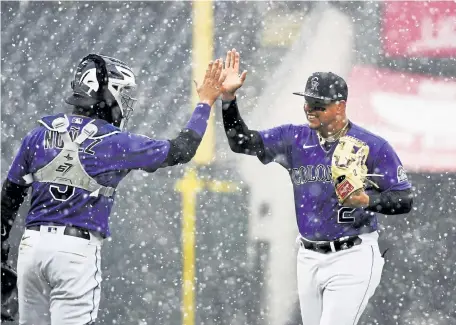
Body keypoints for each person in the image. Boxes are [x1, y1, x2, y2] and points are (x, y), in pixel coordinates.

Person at [0, 54, 226, 324]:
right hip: (75, 249)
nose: (126, 102)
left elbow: (9, 199)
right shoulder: (113, 141)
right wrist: (205, 103)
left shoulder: (37, 135)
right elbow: (181, 150)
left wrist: (2, 249)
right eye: (123, 93)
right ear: (105, 92)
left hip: (31, 248)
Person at [220, 49, 413, 325]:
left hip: (353, 254)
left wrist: (366, 201)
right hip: (308, 257)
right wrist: (228, 100)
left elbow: (405, 199)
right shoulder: (294, 139)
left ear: (340, 106)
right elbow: (240, 142)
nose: (310, 109)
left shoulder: (373, 145)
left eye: (318, 105)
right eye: (308, 102)